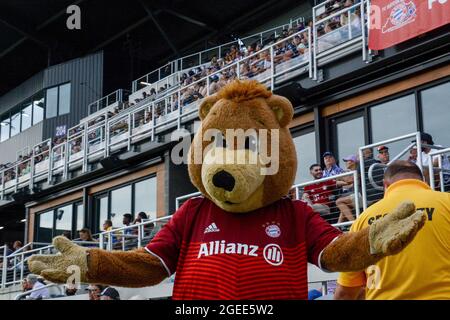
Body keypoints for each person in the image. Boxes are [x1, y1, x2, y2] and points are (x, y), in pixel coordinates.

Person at [335, 160, 450, 300]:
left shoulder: (363, 219)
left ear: (385, 185)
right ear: (424, 181)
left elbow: (345, 293)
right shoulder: (446, 202)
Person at [335, 155, 360, 223]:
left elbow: (348, 181)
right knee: (343, 204)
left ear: (352, 162)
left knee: (339, 201)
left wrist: (342, 178)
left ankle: (354, 223)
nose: (345, 163)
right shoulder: (352, 171)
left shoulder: (356, 171)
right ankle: (338, 225)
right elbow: (337, 181)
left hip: (360, 195)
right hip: (356, 195)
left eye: (347, 161)